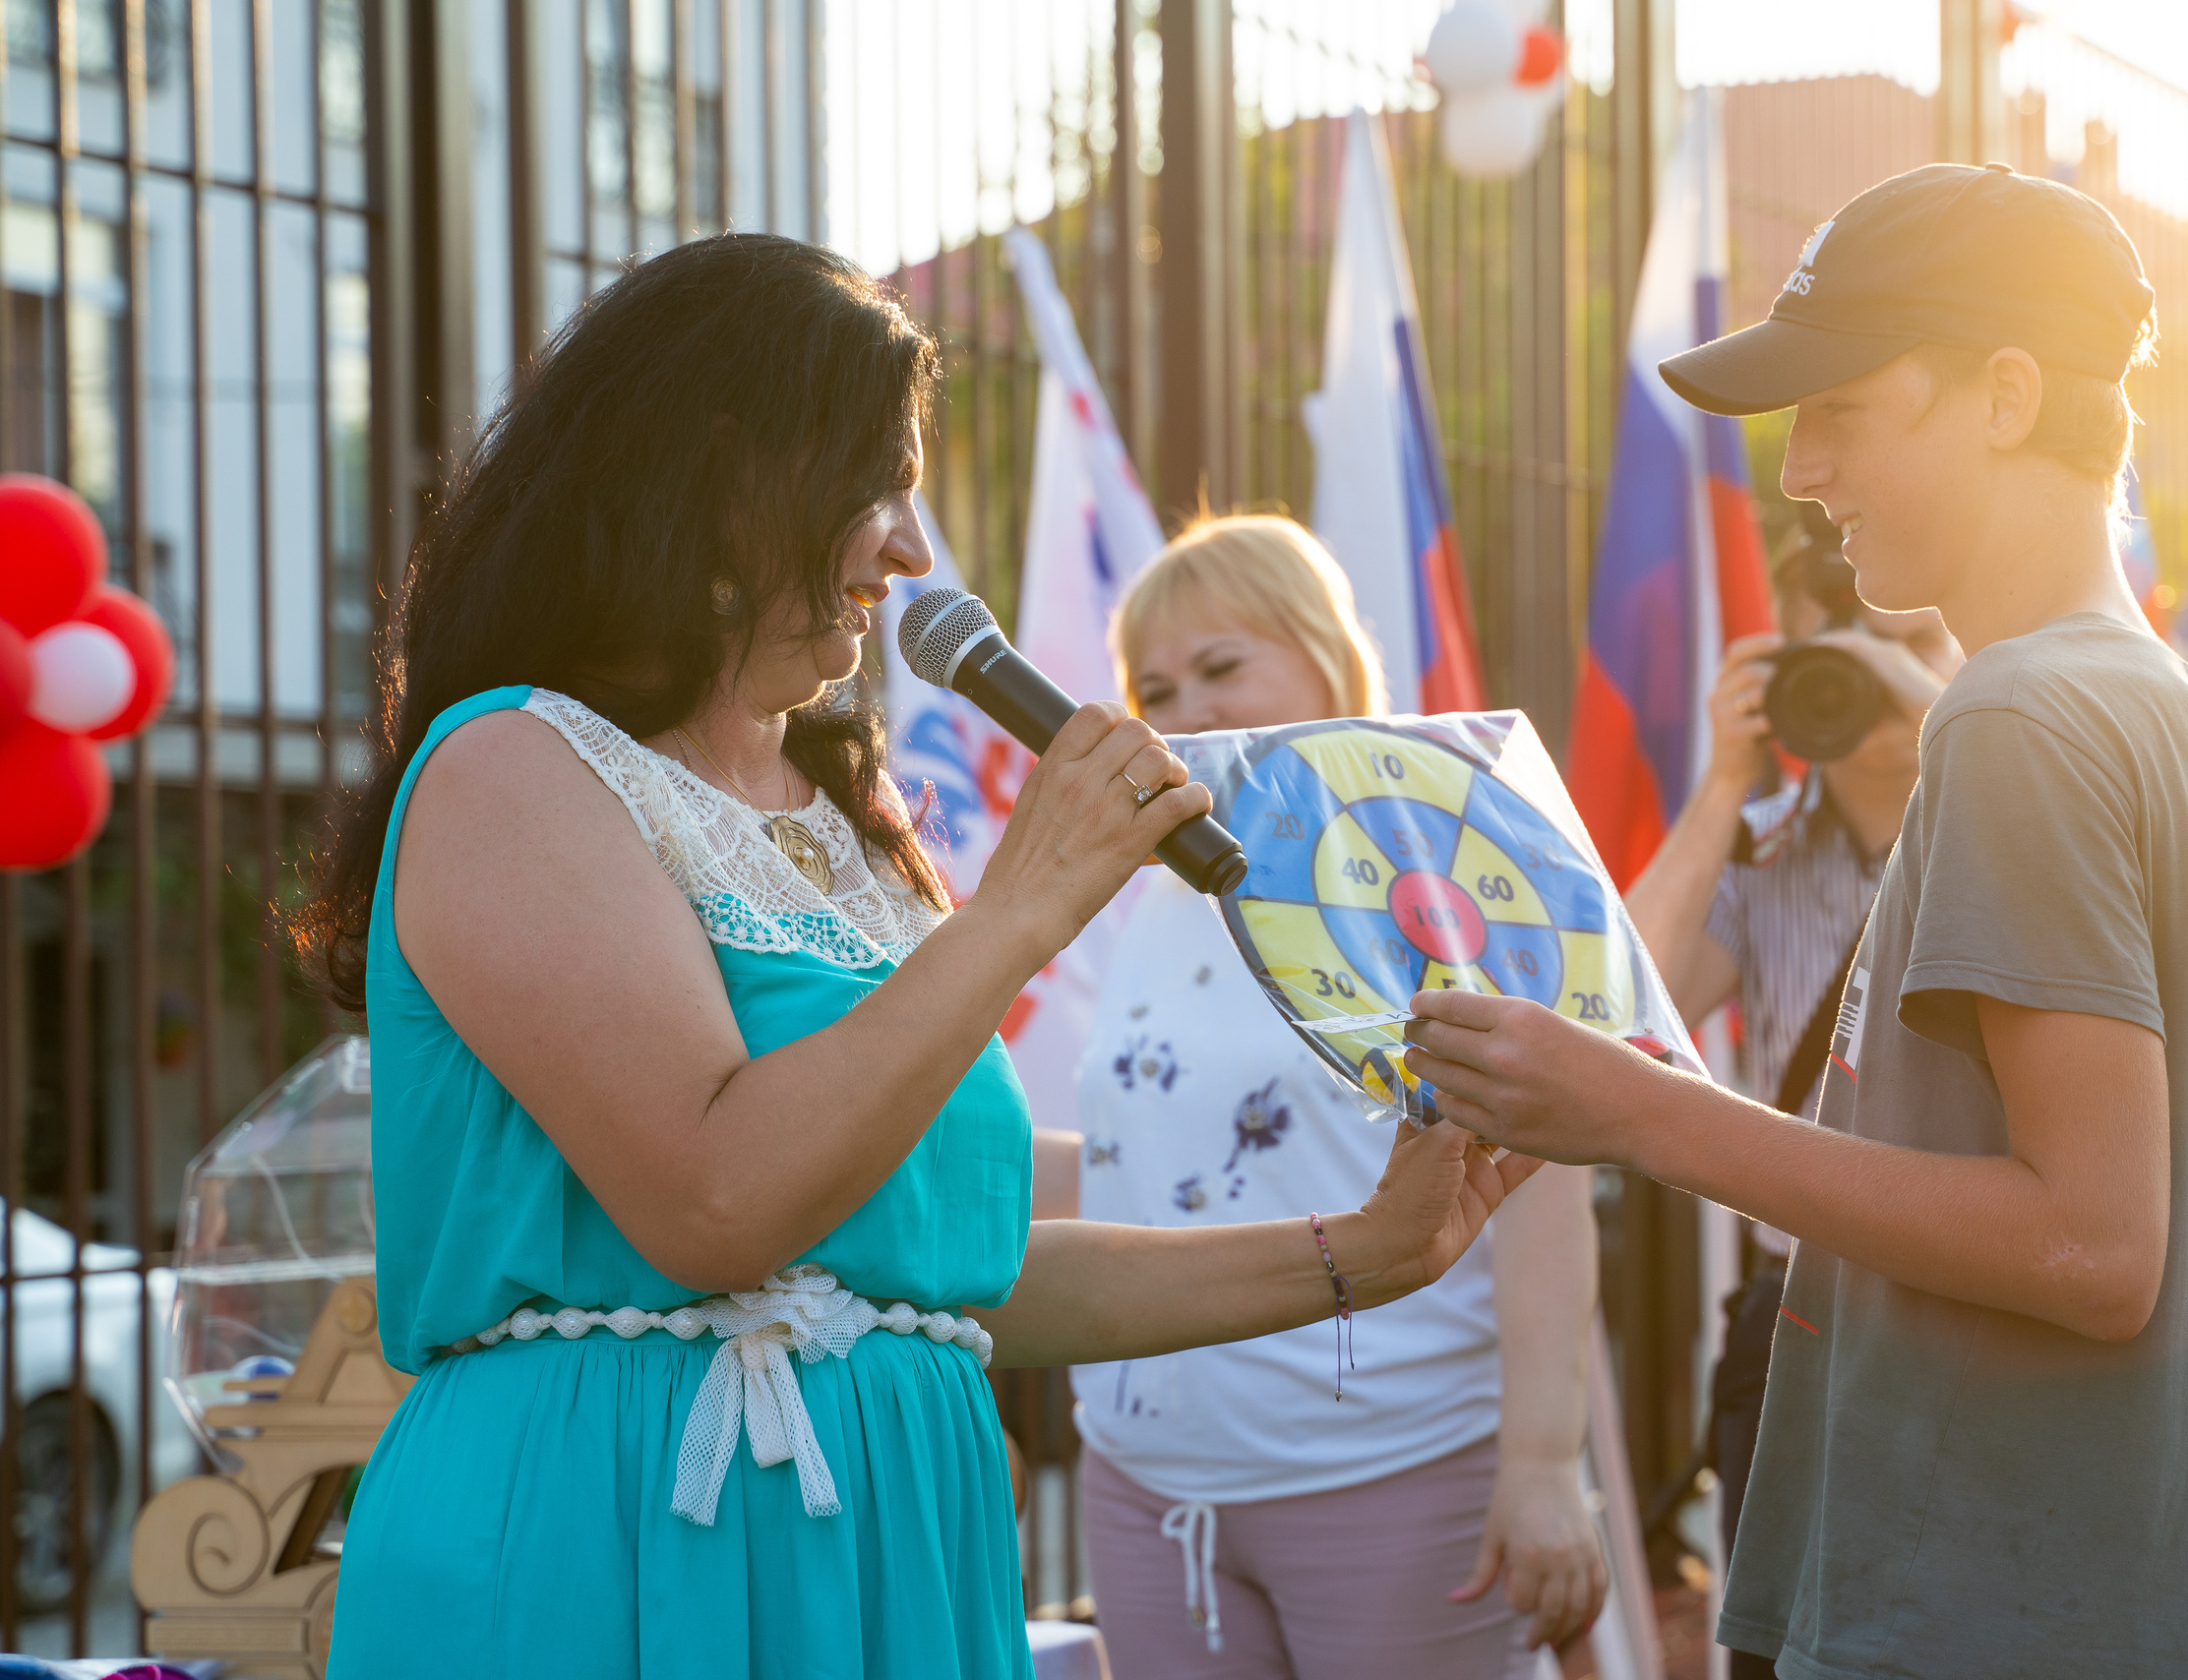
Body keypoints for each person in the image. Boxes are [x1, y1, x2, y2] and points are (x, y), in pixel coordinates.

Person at [289, 235, 1535, 1679]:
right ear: (726, 471)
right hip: (611, 1536)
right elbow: (718, 1199)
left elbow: (958, 1280)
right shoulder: (514, 764)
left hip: (890, 1554)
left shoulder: (853, 828)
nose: (912, 550)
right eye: (878, 486)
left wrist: (1370, 1254)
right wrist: (1018, 912)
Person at [1401, 163, 2188, 1675]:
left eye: (1842, 409)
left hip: (2006, 1618)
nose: (1802, 469)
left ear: (2008, 394)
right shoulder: (2175, 710)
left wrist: (1637, 1111)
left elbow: (2095, 1245)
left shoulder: (2021, 715)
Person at [1048, 514, 1607, 1678]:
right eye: (1155, 684)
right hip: (1146, 1491)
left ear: (1326, 655)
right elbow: (1128, 1152)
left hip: (1394, 1481)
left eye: (1221, 664)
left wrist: (1546, 1461)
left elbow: (1537, 1178)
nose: (1186, 706)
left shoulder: (1425, 872)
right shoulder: (1141, 895)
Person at [1618, 530, 1955, 1679]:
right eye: (1840, 644)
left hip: (1973, 1306)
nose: (1870, 667)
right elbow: (1617, 1002)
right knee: (1776, 1645)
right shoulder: (1755, 855)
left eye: (1906, 636)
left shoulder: (2013, 834)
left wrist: (1949, 721)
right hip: (1796, 1308)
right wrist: (1723, 781)